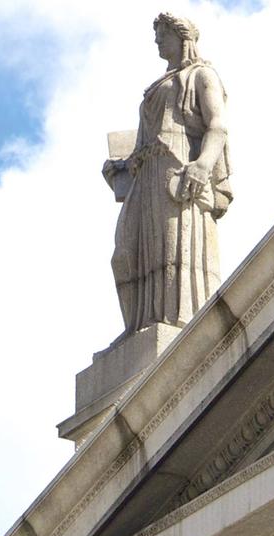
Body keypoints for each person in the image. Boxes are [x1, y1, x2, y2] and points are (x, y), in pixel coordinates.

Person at [104, 14, 232, 334]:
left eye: (163, 34)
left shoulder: (202, 75)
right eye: (157, 34)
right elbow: (145, 140)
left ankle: (173, 322)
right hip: (146, 173)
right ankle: (135, 327)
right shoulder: (157, 85)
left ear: (183, 37)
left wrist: (203, 164)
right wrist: (121, 167)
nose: (158, 41)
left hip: (175, 169)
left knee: (172, 249)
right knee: (124, 255)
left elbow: (217, 125)